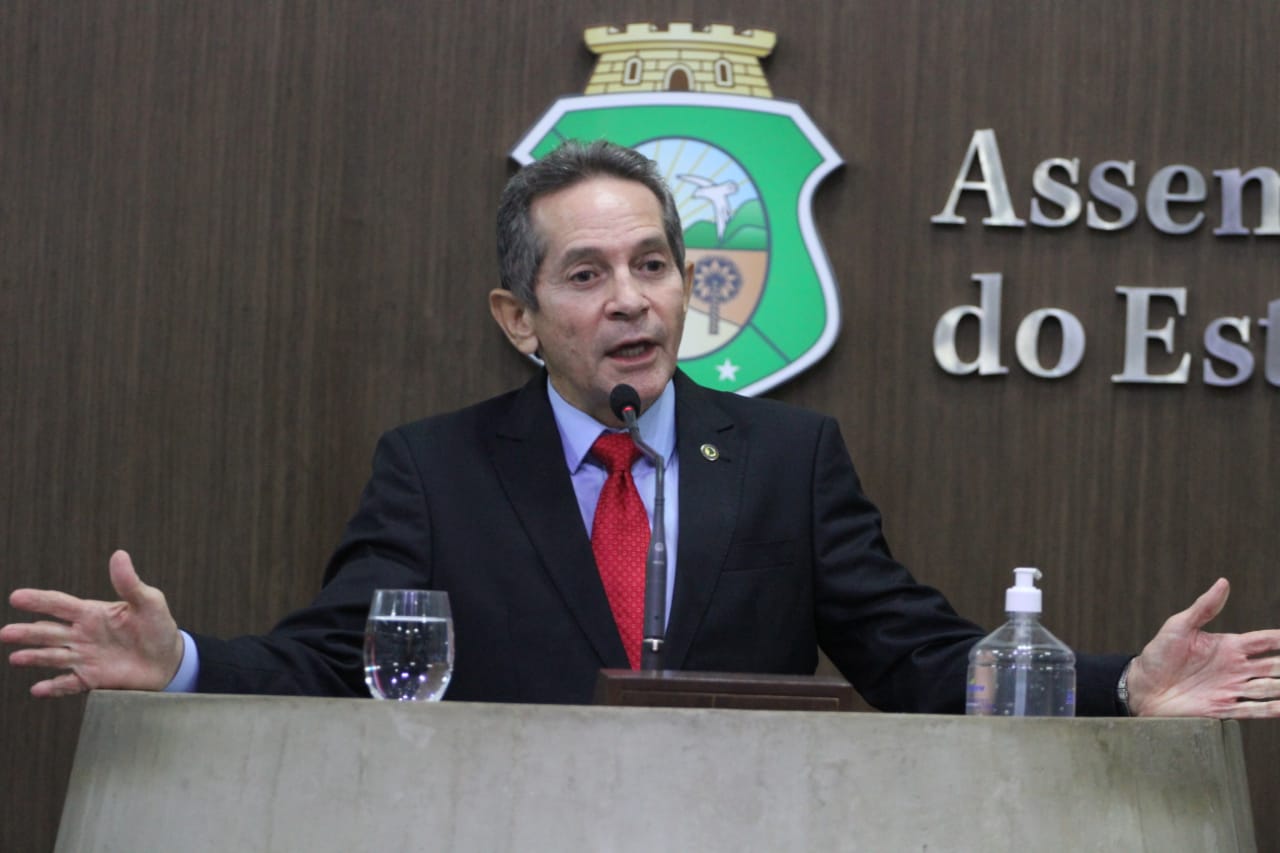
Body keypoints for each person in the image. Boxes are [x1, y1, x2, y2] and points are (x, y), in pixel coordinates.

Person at [4, 141, 1279, 717]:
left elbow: (915, 658)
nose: (630, 299)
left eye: (653, 264)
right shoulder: (434, 470)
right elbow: (343, 659)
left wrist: (1119, 685)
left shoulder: (788, 462)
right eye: (586, 274)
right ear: (517, 316)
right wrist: (182, 664)